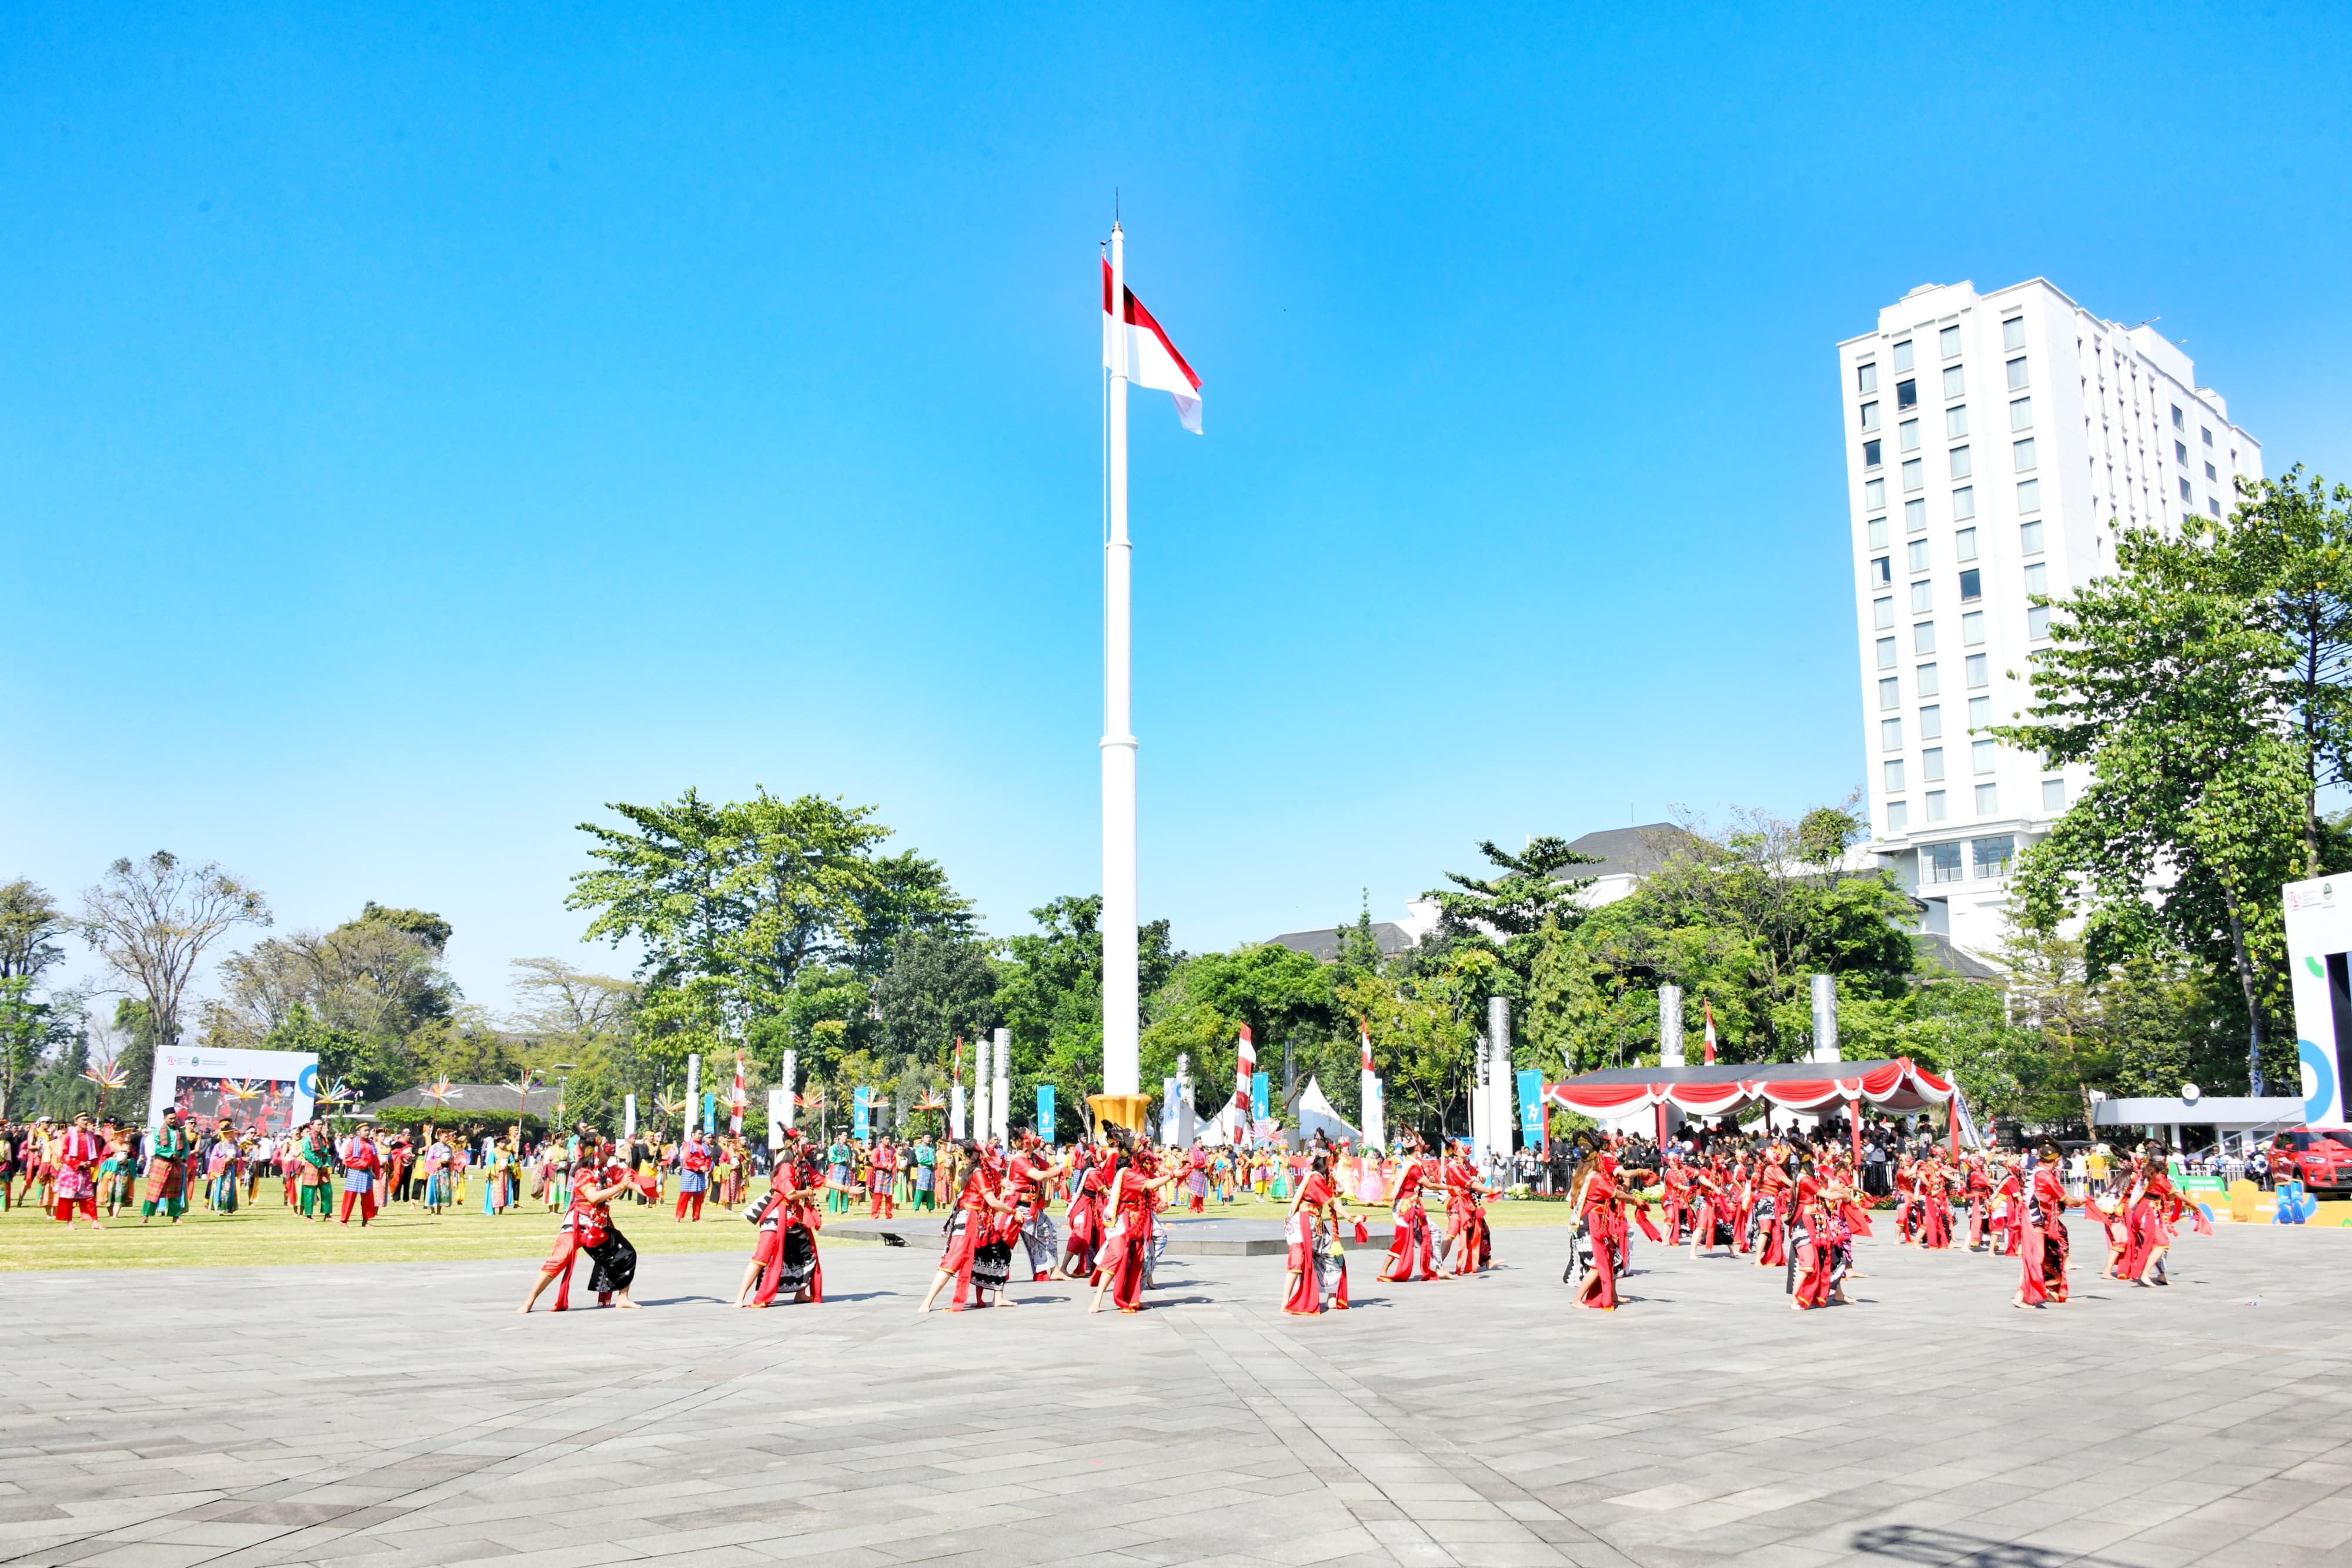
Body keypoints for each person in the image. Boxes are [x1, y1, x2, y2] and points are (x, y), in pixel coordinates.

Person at [519, 1151, 642, 1312]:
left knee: (626, 1253)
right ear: (596, 1154)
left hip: (599, 1226)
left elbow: (633, 1182)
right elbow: (594, 1197)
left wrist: (650, 1192)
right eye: (605, 1148)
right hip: (577, 1225)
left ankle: (623, 1298)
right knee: (559, 1260)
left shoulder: (608, 1171)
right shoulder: (584, 1172)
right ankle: (530, 1301)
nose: (609, 1150)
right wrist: (620, 1186)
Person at [921, 1140, 1021, 1313]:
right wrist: (1013, 1211)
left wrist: (1012, 1188)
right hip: (969, 1221)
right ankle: (927, 1302)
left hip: (982, 1223)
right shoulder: (978, 1174)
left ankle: (998, 1297)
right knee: (953, 1261)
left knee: (1001, 1253)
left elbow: (1009, 1185)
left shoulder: (989, 1172)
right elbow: (992, 1202)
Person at [1282, 1151, 1350, 1316]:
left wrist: (1338, 1192)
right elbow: (1331, 1202)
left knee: (1335, 1257)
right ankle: (1286, 1302)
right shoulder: (1315, 1178)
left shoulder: (1317, 1177)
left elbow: (1324, 1196)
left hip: (1312, 1224)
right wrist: (1350, 1217)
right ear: (1328, 1160)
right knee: (1298, 1262)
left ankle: (1332, 1298)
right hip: (1303, 1224)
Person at [1378, 1132, 1441, 1283]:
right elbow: (1430, 1185)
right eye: (1423, 1143)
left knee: (1433, 1231)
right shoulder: (1412, 1166)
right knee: (1402, 1240)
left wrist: (1429, 1181)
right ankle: (1384, 1270)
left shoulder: (1414, 1163)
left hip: (1415, 1208)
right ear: (1418, 1147)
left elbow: (1425, 1182)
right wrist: (1448, 1187)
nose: (1426, 1145)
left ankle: (1439, 1267)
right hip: (1405, 1210)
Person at [51, 1113, 103, 1230]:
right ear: (76, 1121)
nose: (86, 1122)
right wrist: (78, 1163)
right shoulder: (68, 1136)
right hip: (71, 1170)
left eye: (87, 1120)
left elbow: (96, 1153)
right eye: (83, 1120)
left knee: (89, 1197)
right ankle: (69, 1222)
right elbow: (64, 1155)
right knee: (68, 1197)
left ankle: (95, 1221)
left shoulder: (92, 1136)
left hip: (85, 1171)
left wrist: (91, 1163)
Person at [141, 1109, 192, 1225]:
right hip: (161, 1162)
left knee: (175, 1192)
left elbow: (186, 1146)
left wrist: (182, 1157)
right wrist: (170, 1154)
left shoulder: (181, 1131)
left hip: (176, 1164)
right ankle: (146, 1216)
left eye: (175, 1118)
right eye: (171, 1118)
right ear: (165, 1118)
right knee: (154, 1191)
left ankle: (176, 1216)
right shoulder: (158, 1131)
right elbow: (157, 1147)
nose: (173, 1120)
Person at [339, 1127, 382, 1225]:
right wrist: (364, 1163)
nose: (367, 1132)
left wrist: (377, 1173)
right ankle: (344, 1221)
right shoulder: (352, 1144)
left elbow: (375, 1159)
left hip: (367, 1173)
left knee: (368, 1199)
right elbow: (348, 1159)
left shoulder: (371, 1144)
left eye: (368, 1130)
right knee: (349, 1197)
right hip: (355, 1172)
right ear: (358, 1132)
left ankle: (366, 1220)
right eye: (365, 1131)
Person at [676, 1130, 713, 1221]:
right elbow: (688, 1158)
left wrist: (706, 1166)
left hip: (700, 1173)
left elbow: (708, 1158)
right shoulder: (688, 1145)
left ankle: (696, 1217)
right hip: (690, 1172)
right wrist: (700, 1166)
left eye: (701, 1134)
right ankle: (678, 1216)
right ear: (693, 1134)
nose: (700, 1136)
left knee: (699, 1196)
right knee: (685, 1195)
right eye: (699, 1134)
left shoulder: (704, 1146)